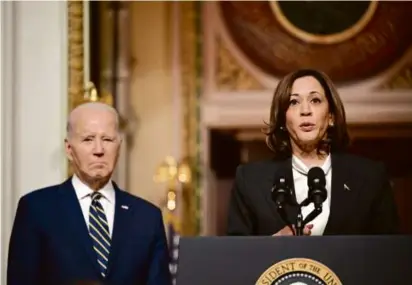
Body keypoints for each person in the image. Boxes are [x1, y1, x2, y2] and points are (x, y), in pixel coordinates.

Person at [7, 102, 172, 285]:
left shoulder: (147, 217)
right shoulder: (36, 210)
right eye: (88, 139)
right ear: (69, 149)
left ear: (119, 146)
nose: (99, 150)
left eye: (107, 140)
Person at [226, 68, 399, 236]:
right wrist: (272, 247)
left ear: (331, 116)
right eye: (294, 102)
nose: (305, 111)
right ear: (282, 119)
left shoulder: (370, 178)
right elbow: (235, 257)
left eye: (315, 100)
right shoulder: (251, 181)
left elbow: (390, 256)